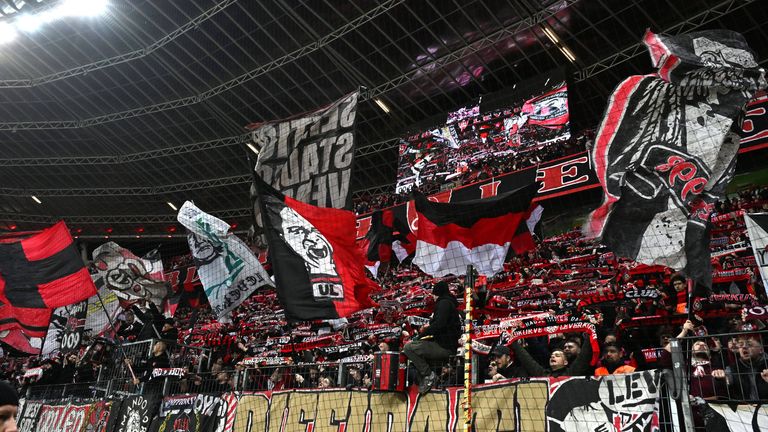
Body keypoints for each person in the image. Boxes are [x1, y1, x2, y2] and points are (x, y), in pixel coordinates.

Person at [402, 281, 461, 394]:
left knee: (408, 347)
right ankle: (428, 379)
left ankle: (429, 376)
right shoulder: (449, 303)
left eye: (433, 294)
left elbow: (438, 325)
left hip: (444, 347)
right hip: (447, 345)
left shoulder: (443, 303)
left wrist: (419, 336)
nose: (432, 297)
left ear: (437, 293)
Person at [511, 333, 593, 377]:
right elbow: (527, 361)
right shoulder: (543, 374)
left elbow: (583, 357)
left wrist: (589, 335)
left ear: (565, 362)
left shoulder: (570, 373)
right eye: (552, 356)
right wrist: (514, 342)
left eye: (557, 356)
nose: (553, 356)